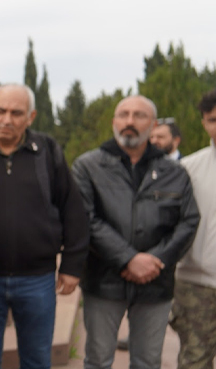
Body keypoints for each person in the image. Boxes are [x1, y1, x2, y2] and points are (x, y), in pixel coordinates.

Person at [0, 84, 89, 369]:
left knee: (38, 358)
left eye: (17, 113)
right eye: (1, 111)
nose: (7, 119)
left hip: (37, 279)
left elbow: (73, 209)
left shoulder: (47, 151)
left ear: (31, 117)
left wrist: (71, 265)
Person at [71, 95, 199, 369]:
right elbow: (85, 219)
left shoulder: (174, 172)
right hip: (103, 280)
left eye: (139, 115)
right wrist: (129, 259)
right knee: (97, 360)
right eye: (124, 114)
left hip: (156, 282)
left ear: (152, 125)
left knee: (147, 362)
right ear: (113, 122)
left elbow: (188, 221)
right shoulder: (88, 166)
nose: (130, 121)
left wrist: (157, 260)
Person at [170, 91, 216, 369]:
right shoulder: (188, 168)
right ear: (203, 123)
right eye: (213, 119)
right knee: (194, 362)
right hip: (196, 286)